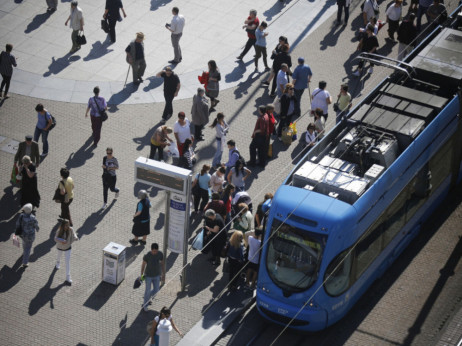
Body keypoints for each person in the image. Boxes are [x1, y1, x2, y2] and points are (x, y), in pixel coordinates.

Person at [141, 243, 165, 312]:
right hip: (148, 276)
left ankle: (147, 297)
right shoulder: (147, 255)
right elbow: (143, 265)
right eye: (153, 251)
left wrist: (163, 274)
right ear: (151, 250)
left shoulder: (160, 254)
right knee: (147, 290)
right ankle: (145, 305)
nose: (155, 252)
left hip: (157, 275)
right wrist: (142, 275)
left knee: (156, 290)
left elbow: (162, 263)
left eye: (156, 251)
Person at [54, 219, 78, 285]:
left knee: (67, 262)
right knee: (59, 257)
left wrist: (75, 237)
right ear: (63, 225)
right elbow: (55, 238)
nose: (67, 227)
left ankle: (68, 277)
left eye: (68, 225)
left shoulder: (70, 229)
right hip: (60, 247)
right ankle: (58, 262)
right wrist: (61, 241)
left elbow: (74, 234)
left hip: (68, 248)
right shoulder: (59, 230)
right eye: (66, 225)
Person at [16, 203, 39, 269]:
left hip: (22, 234)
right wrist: (37, 229)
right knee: (28, 248)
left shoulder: (21, 216)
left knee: (24, 243)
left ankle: (24, 251)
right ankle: (25, 262)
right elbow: (36, 225)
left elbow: (17, 224)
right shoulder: (32, 217)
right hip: (30, 236)